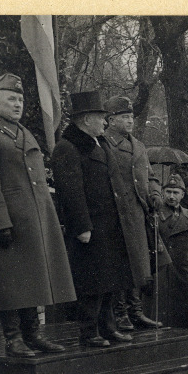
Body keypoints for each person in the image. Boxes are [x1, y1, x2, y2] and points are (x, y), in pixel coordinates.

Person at [0, 73, 75, 357]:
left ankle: (32, 334)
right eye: (11, 99)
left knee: (32, 278)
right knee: (10, 281)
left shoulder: (24, 133)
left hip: (35, 220)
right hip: (9, 221)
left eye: (21, 99)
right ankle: (13, 338)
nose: (18, 104)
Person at [52, 91, 136, 348]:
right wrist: (82, 227)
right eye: (101, 117)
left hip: (109, 224)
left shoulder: (99, 143)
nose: (105, 122)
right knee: (92, 283)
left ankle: (108, 328)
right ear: (87, 119)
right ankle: (89, 332)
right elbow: (71, 192)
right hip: (90, 227)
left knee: (110, 280)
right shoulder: (68, 148)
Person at [103, 95, 169, 331]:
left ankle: (136, 311)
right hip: (115, 215)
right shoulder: (103, 144)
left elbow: (150, 176)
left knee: (140, 265)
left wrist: (155, 194)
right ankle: (120, 313)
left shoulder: (139, 146)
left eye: (131, 116)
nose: (130, 120)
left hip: (139, 213)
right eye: (124, 117)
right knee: (121, 264)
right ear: (110, 120)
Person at [157, 174, 188, 328]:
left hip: (182, 269)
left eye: (176, 193)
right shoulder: (154, 214)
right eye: (168, 192)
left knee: (182, 312)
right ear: (162, 192)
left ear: (183, 195)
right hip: (160, 268)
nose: (171, 196)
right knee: (159, 311)